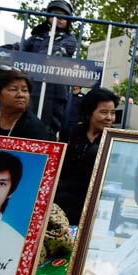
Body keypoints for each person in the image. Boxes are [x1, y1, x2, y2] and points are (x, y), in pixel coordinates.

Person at [0, 0, 77, 139]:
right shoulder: (37, 37)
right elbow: (19, 48)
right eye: (55, 15)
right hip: (32, 88)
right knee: (24, 124)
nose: (59, 19)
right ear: (48, 17)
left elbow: (52, 55)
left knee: (47, 129)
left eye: (64, 16)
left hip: (53, 92)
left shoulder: (69, 39)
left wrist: (28, 59)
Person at [54, 88, 119, 225]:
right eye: (103, 112)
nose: (109, 117)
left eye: (112, 113)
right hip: (66, 205)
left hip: (95, 208)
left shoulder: (115, 141)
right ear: (89, 113)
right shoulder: (73, 134)